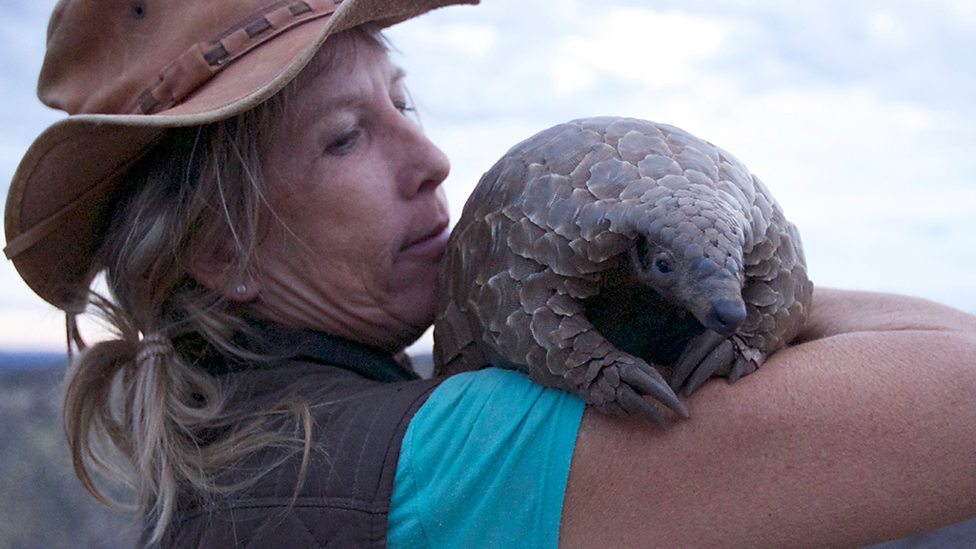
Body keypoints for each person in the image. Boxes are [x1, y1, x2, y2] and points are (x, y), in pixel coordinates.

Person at [4, 0, 975, 547]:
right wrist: (689, 264)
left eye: (403, 102)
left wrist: (679, 259)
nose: (428, 161)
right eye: (344, 138)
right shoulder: (432, 468)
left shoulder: (266, 456)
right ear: (221, 254)